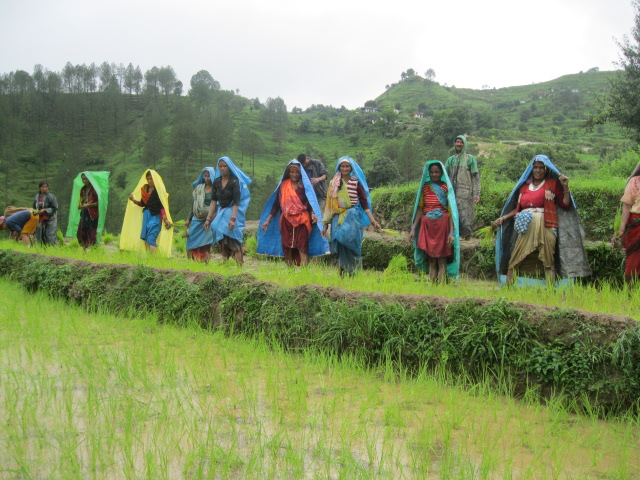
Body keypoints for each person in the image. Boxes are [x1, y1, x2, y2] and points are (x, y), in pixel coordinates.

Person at [493, 155, 591, 285]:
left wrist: (566, 188)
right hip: (526, 227)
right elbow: (518, 209)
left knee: (548, 260)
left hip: (547, 225)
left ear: (546, 170)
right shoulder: (524, 187)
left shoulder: (552, 184)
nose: (538, 170)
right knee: (516, 258)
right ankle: (508, 291)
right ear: (531, 169)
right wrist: (503, 218)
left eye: (541, 168)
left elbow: (565, 205)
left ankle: (550, 292)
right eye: (535, 168)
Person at [258, 159, 329, 266]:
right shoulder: (283, 186)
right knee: (287, 247)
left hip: (302, 220)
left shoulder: (305, 186)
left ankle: (303, 273)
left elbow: (310, 202)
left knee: (302, 245)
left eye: (297, 172)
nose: (294, 174)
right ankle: (290, 271)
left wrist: (313, 213)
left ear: (301, 173)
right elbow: (277, 204)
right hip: (286, 220)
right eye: (292, 172)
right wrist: (268, 219)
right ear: (288, 173)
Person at [321, 156, 381, 276]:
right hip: (337, 218)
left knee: (352, 245)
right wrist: (325, 226)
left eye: (347, 166)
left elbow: (364, 203)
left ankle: (353, 273)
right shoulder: (333, 184)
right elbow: (329, 206)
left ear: (351, 168)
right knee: (339, 244)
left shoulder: (356, 182)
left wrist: (373, 220)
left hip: (352, 218)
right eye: (342, 166)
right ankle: (341, 272)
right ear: (339, 167)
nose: (345, 168)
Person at [409, 161, 460, 283]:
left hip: (442, 225)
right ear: (428, 173)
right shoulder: (425, 187)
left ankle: (441, 287)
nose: (434, 174)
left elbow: (450, 212)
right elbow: (420, 209)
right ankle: (432, 286)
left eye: (437, 172)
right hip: (428, 226)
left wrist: (451, 233)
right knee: (431, 259)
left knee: (442, 259)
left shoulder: (445, 188)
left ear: (441, 173)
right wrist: (413, 229)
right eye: (431, 172)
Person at [203, 157, 251, 266]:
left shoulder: (234, 181)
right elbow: (213, 201)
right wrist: (208, 219)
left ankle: (240, 268)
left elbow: (236, 202)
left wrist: (233, 219)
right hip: (221, 214)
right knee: (222, 241)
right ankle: (224, 265)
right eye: (221, 166)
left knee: (234, 241)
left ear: (229, 167)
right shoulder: (217, 182)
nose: (223, 168)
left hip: (232, 215)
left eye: (225, 166)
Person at [121, 170, 173, 256]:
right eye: (148, 179)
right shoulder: (145, 189)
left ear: (155, 179)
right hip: (146, 215)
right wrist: (133, 200)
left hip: (155, 216)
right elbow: (142, 204)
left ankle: (153, 259)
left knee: (151, 238)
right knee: (146, 238)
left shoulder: (158, 191)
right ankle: (149, 258)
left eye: (151, 179)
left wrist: (165, 219)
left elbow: (162, 206)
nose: (149, 181)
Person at [445, 135, 480, 238]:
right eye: (457, 142)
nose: (459, 144)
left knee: (466, 215)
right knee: (454, 214)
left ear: (464, 144)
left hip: (466, 193)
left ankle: (468, 237)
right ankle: (456, 236)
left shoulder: (470, 159)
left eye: (461, 142)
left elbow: (475, 178)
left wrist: (476, 193)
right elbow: (445, 174)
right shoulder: (451, 160)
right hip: (453, 193)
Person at [66, 171, 110, 248]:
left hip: (93, 213)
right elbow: (81, 200)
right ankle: (85, 247)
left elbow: (98, 202)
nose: (84, 181)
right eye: (83, 179)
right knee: (82, 230)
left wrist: (88, 205)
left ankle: (93, 247)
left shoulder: (94, 189)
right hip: (84, 212)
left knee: (92, 231)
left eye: (86, 179)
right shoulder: (83, 189)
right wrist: (80, 205)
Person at [614, 161, 640, 286]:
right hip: (637, 225)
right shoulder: (635, 182)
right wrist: (621, 229)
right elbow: (626, 206)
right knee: (634, 258)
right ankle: (630, 291)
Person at [185, 167, 215, 262]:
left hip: (208, 220)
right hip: (196, 218)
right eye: (205, 176)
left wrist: (211, 219)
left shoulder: (216, 189)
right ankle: (193, 260)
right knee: (191, 239)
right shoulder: (199, 188)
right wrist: (188, 219)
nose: (207, 178)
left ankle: (204, 261)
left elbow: (216, 205)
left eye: (208, 176)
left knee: (205, 243)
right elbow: (193, 204)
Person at [33, 181, 58, 246]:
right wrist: (36, 212)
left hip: (51, 218)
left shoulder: (51, 196)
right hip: (41, 219)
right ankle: (43, 250)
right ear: (39, 188)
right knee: (41, 234)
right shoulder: (37, 197)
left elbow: (55, 207)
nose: (45, 188)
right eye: (43, 187)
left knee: (50, 234)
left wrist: (45, 210)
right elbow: (34, 207)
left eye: (46, 187)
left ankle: (53, 249)